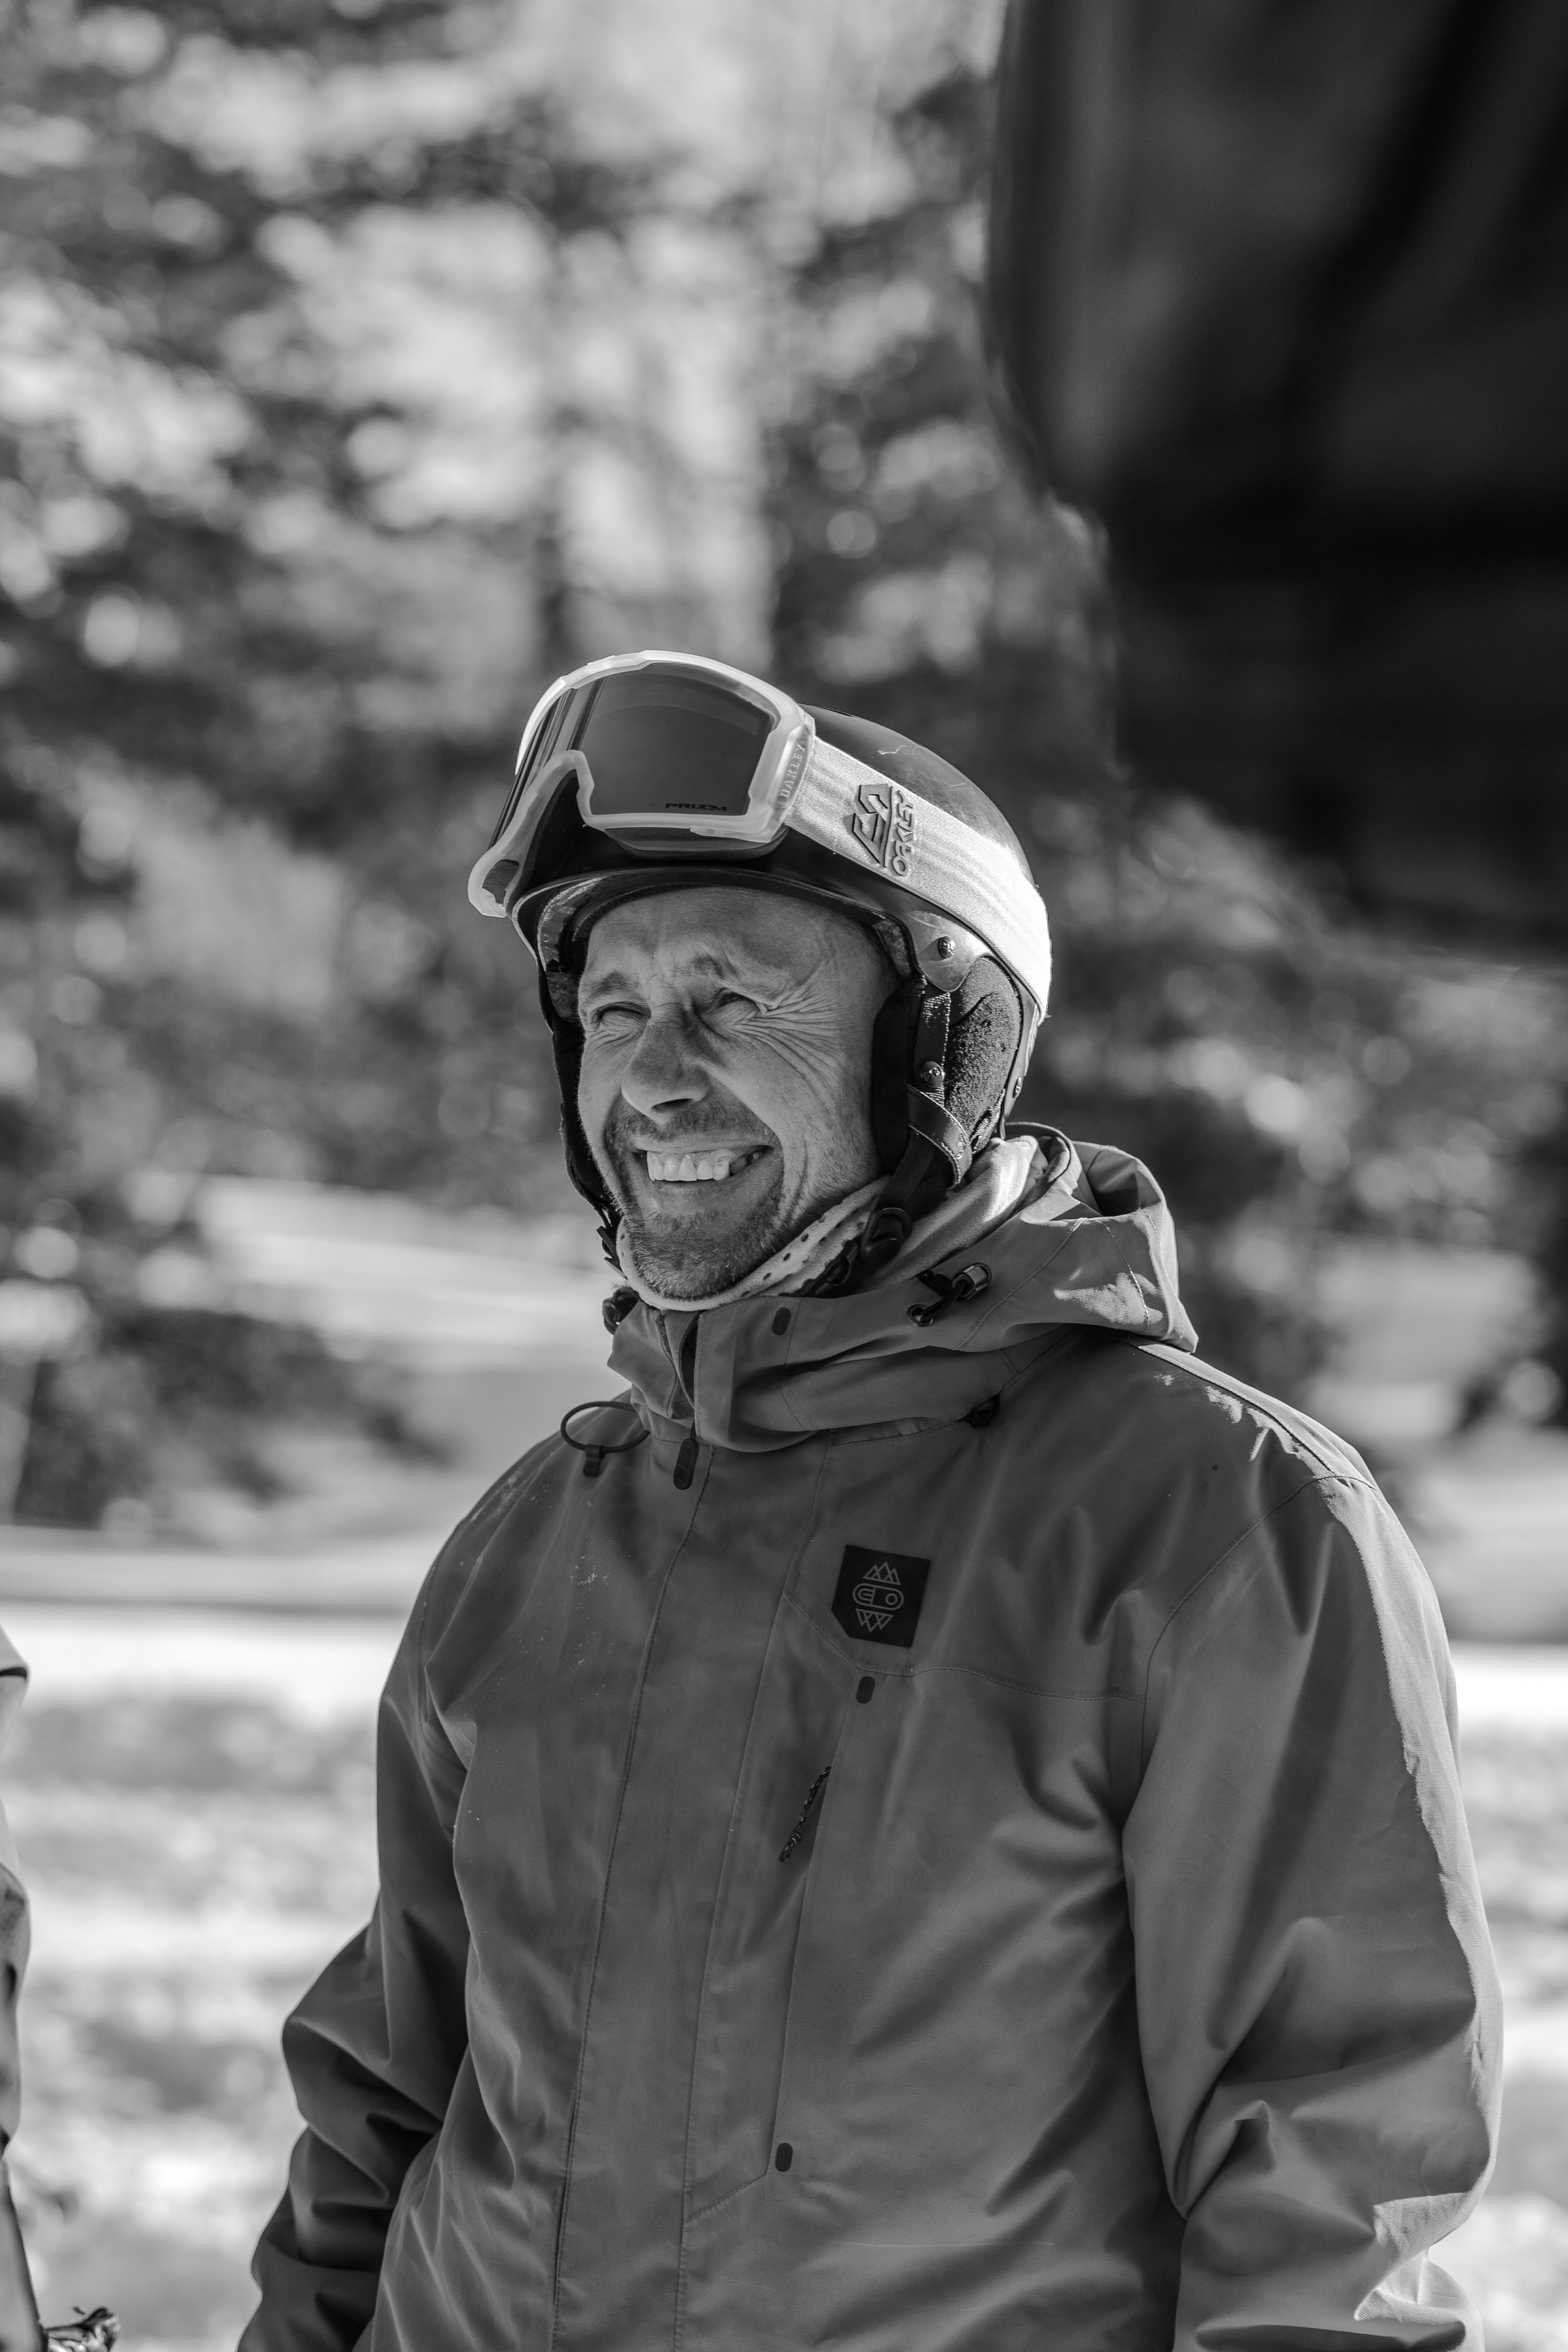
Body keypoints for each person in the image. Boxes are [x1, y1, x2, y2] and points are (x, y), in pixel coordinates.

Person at [243, 654, 1499, 2351]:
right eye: (614, 1012)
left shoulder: (1217, 1525)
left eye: (733, 1003)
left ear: (944, 1046)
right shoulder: (536, 1536)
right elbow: (383, 2108)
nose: (655, 1079)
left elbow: (1332, 2200)